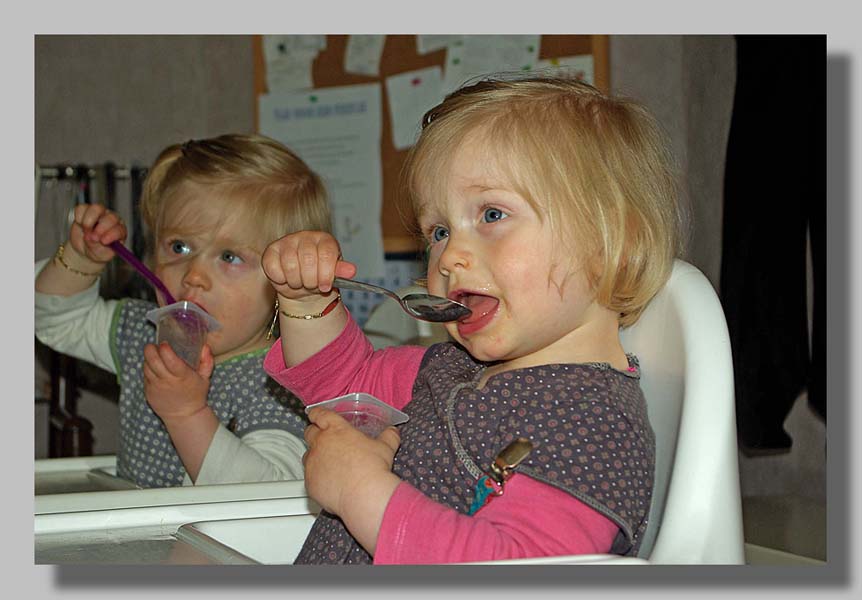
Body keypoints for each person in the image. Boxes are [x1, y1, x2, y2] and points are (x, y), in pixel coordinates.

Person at [261, 74, 685, 564]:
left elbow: (517, 567)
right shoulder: (444, 369)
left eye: (491, 215)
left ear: (611, 242)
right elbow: (342, 385)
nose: (449, 256)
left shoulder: (593, 421)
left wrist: (360, 491)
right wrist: (302, 298)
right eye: (438, 230)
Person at [35, 133, 332, 488]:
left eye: (230, 256)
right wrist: (79, 260)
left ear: (286, 283)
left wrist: (186, 414)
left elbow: (264, 495)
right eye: (179, 246)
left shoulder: (283, 382)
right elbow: (55, 319)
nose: (193, 276)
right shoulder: (142, 333)